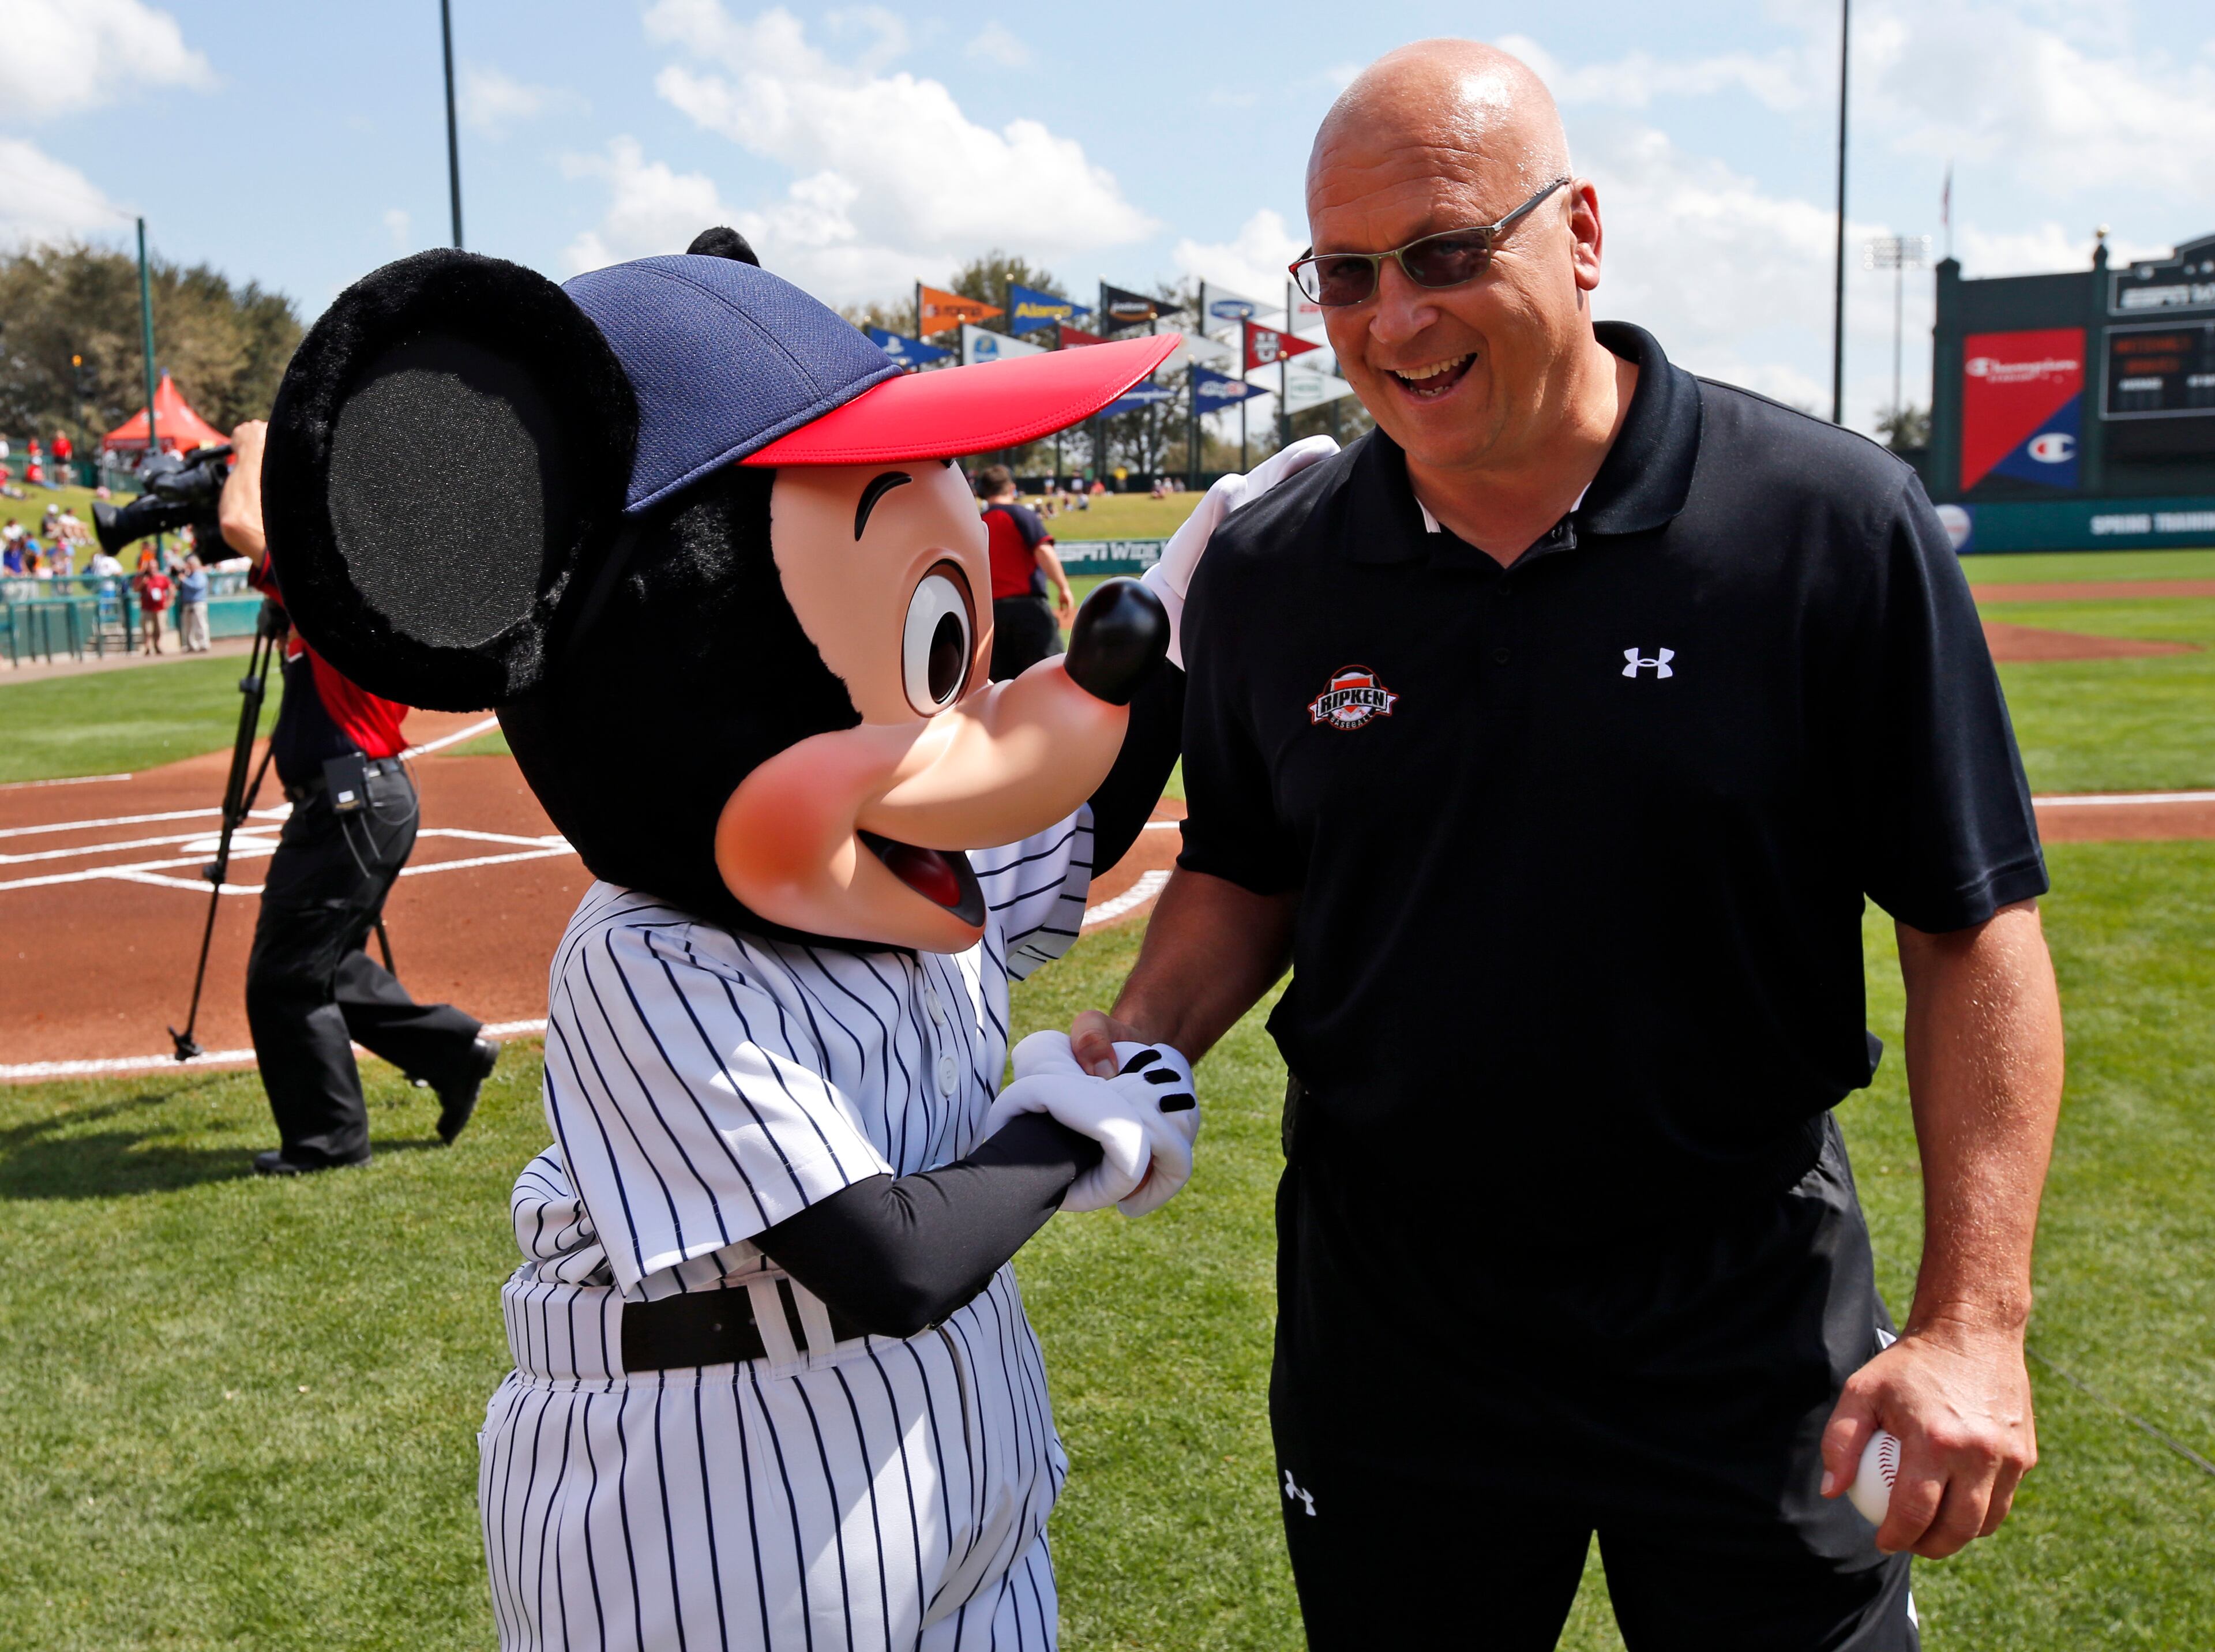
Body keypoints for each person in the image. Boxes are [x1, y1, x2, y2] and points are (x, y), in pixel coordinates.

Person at [1066, 39, 2062, 1651]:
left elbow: (1974, 928)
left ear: (1579, 232)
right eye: (1348, 275)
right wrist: (1143, 1038)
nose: (1396, 320)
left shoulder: (1827, 525)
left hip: (1744, 1314)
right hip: (1395, 1321)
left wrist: (1974, 1321)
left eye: (1449, 254)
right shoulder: (1273, 567)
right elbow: (1249, 867)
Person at [216, 420, 498, 1176]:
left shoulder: (336, 582)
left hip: (352, 796)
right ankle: (450, 1049)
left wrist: (253, 449)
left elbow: (239, 523)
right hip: (357, 795)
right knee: (324, 961)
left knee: (283, 978)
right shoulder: (363, 584)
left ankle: (329, 1143)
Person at [978, 462, 1077, 679]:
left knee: (1000, 687)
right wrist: (1064, 587)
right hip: (1028, 612)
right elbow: (1044, 551)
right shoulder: (1020, 514)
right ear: (1012, 488)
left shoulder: (977, 522)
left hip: (990, 618)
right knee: (1048, 681)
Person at [175, 551, 211, 651]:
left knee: (200, 625)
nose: (188, 566)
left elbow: (197, 587)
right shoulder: (188, 575)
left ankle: (204, 644)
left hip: (198, 603)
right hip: (187, 603)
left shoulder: (199, 575)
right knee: (189, 627)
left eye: (190, 564)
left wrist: (185, 580)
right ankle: (192, 645)